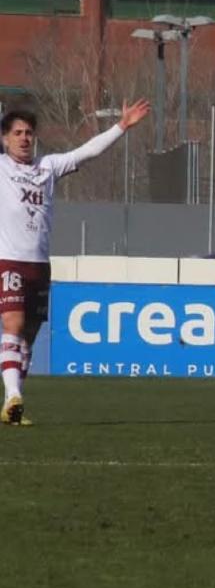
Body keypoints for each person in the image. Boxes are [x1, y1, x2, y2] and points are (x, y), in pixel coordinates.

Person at [0, 100, 150, 425]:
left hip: (39, 264)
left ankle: (13, 405)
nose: (25, 138)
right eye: (17, 133)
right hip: (8, 260)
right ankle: (13, 394)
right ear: (5, 139)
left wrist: (120, 127)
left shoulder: (48, 167)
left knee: (29, 334)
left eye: (29, 133)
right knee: (12, 323)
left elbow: (87, 152)